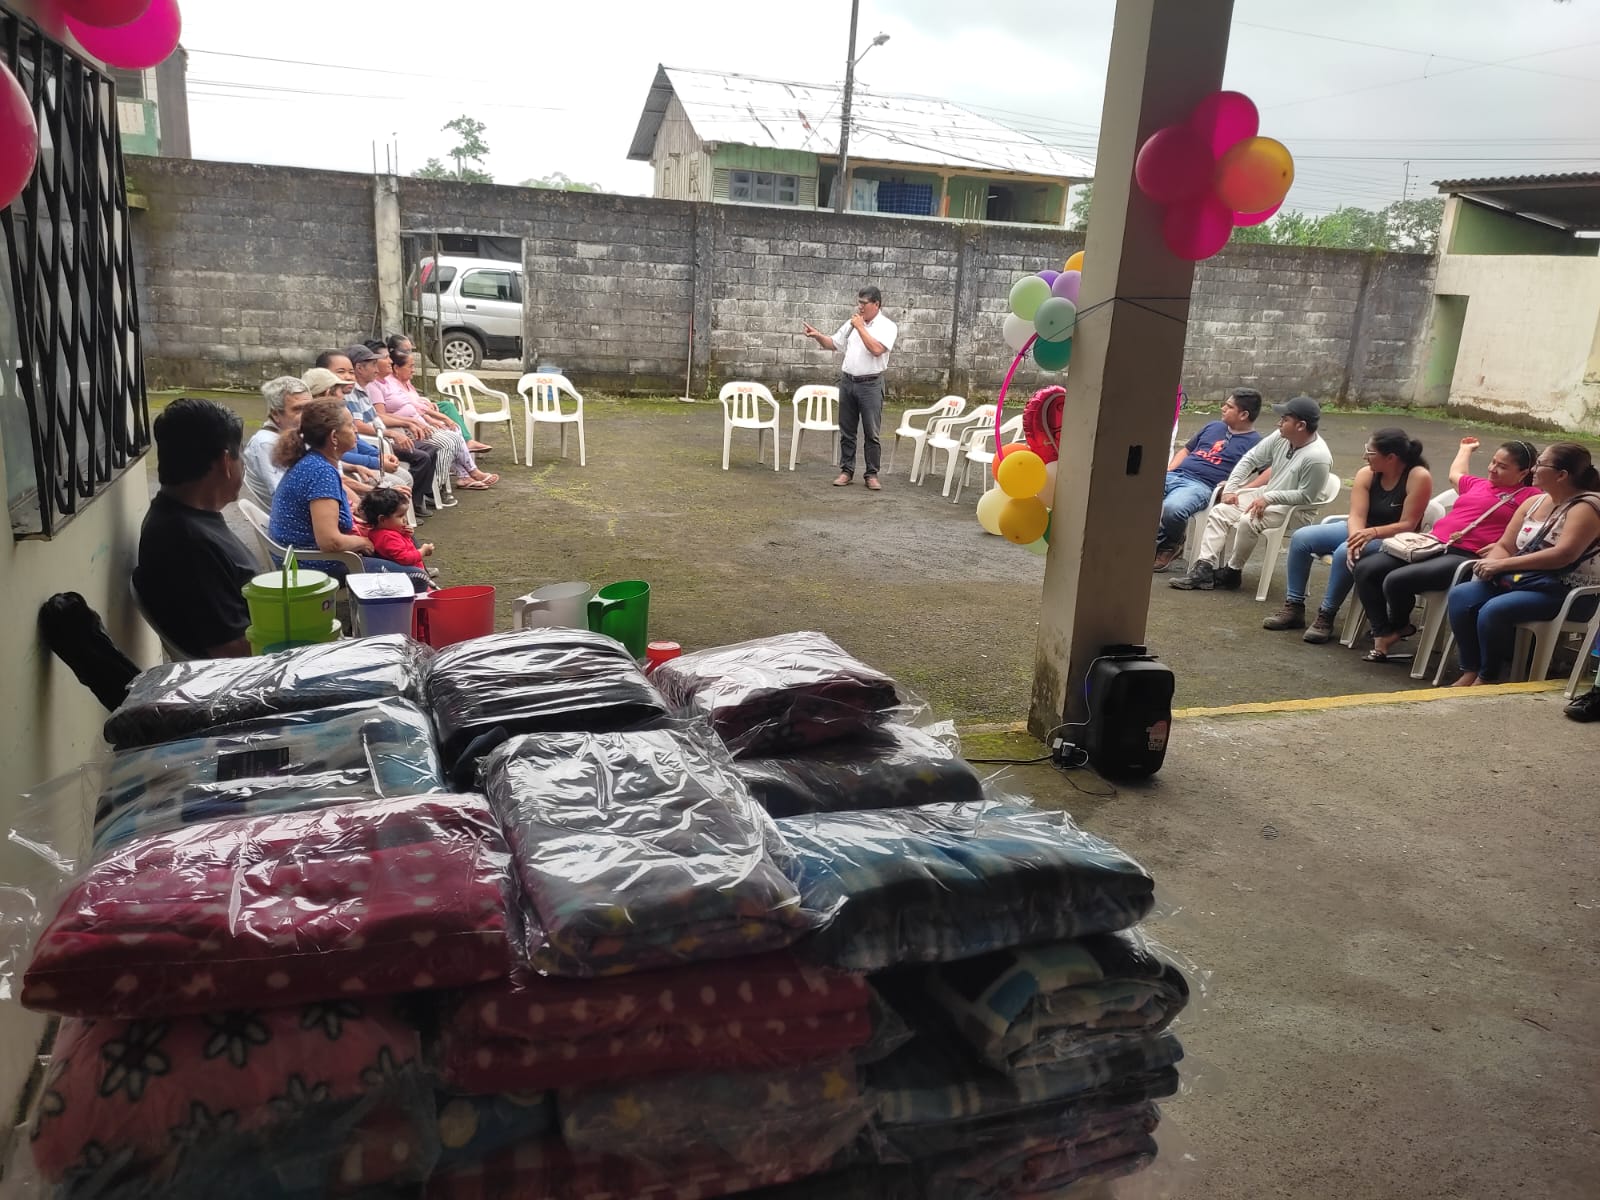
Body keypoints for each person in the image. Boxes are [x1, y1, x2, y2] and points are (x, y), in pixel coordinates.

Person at [1353, 438, 1540, 662]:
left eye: (1502, 466)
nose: (1492, 469)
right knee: (1366, 569)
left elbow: (1539, 528)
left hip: (1464, 555)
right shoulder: (1479, 484)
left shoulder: (1531, 497)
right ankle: (1385, 631)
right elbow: (1455, 474)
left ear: (1523, 473)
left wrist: (1507, 545)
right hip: (1430, 545)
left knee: (1396, 580)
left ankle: (1396, 627)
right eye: (1493, 462)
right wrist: (1465, 449)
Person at [1442, 443, 1600, 687]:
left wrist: (1502, 566)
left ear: (1561, 475)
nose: (1533, 469)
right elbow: (1505, 545)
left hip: (1566, 591)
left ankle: (1487, 677)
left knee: (1494, 609)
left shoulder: (1586, 508)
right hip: (1524, 580)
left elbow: (1564, 555)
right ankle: (1470, 669)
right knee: (1462, 595)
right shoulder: (1534, 502)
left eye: (1541, 464)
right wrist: (1492, 564)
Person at [1264, 428, 1433, 644]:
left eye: (1370, 453)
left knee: (1344, 552)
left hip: (1392, 538)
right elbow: (1357, 515)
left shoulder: (1418, 476)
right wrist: (1356, 537)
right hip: (1361, 529)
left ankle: (1327, 614)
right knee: (1302, 538)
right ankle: (1294, 606)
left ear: (1391, 458)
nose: (1364, 457)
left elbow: (1407, 524)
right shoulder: (1367, 473)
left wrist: (1369, 535)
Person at [132, 398, 258, 658]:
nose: (242, 467)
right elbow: (232, 651)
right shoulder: (187, 543)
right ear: (225, 462)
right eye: (241, 457)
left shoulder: (185, 518)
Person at [1170, 395, 1333, 592]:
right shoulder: (1280, 437)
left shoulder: (1317, 457)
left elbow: (1306, 497)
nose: (1278, 423)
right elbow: (1250, 459)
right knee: (1221, 511)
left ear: (1300, 426)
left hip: (1294, 510)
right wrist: (1231, 489)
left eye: (1285, 419)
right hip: (1268, 494)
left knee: (1249, 520)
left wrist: (1269, 498)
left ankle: (1232, 572)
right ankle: (1203, 569)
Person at [268, 398, 429, 590]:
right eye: (350, 425)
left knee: (399, 533)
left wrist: (380, 497)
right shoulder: (320, 472)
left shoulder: (316, 462)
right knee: (416, 578)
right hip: (313, 564)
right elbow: (330, 542)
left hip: (308, 555)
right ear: (334, 436)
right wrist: (363, 541)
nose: (355, 430)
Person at [1153, 387, 1263, 571]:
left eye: (1229, 406)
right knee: (1135, 491)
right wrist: (1170, 469)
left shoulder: (1256, 443)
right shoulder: (1213, 426)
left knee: (1173, 508)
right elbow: (1186, 450)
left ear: (1244, 414)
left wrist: (1240, 489)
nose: (1223, 408)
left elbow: (1269, 472)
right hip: (1176, 474)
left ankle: (1170, 544)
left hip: (1201, 485)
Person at [803, 285, 897, 491]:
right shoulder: (852, 323)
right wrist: (818, 335)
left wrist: (861, 327)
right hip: (848, 382)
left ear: (876, 304)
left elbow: (876, 350)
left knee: (871, 432)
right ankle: (846, 470)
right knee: (847, 430)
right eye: (859, 303)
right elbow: (833, 344)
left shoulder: (887, 326)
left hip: (871, 384)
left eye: (864, 303)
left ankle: (871, 474)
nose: (860, 307)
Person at [376, 350, 499, 489]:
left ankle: (464, 475)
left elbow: (412, 406)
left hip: (417, 422)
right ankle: (439, 486)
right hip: (407, 429)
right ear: (397, 368)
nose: (413, 370)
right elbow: (382, 415)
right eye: (410, 366)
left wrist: (427, 417)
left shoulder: (395, 383)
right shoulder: (381, 385)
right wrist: (416, 421)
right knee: (450, 440)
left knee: (454, 432)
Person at [384, 332, 489, 450]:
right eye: (406, 350)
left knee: (447, 406)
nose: (409, 354)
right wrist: (440, 417)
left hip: (420, 410)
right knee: (447, 426)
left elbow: (413, 397)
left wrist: (425, 401)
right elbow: (409, 404)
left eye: (410, 350)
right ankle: (465, 443)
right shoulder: (390, 381)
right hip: (414, 416)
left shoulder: (404, 376)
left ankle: (467, 441)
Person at [244, 376, 317, 502]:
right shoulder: (266, 443)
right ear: (275, 414)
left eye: (309, 407)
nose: (307, 415)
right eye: (298, 409)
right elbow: (287, 496)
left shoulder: (296, 432)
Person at [358, 487, 434, 572]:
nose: (405, 519)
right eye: (400, 516)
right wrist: (423, 551)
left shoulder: (378, 532)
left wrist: (406, 535)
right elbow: (405, 558)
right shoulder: (388, 537)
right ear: (382, 519)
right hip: (410, 574)